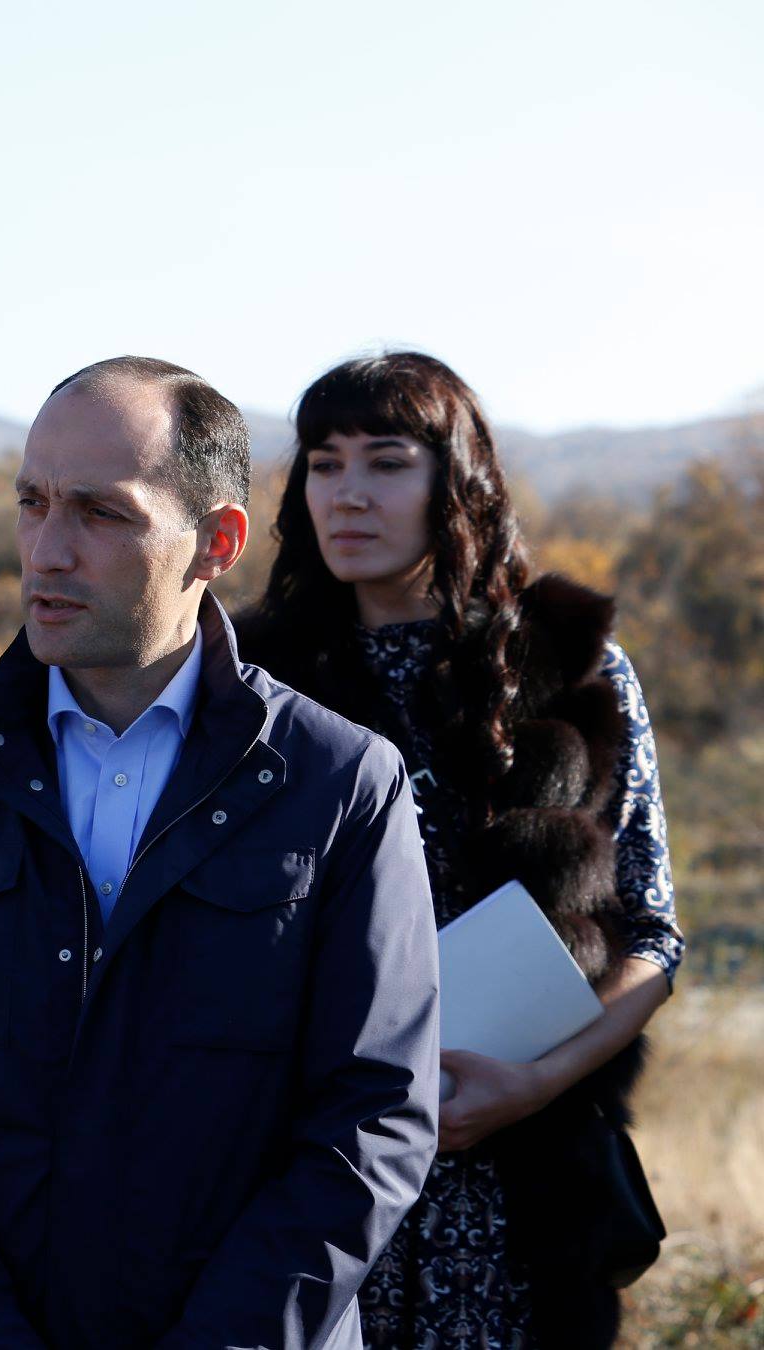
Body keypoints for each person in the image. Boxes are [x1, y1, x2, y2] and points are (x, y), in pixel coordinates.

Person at [0, 356, 442, 1349]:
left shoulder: (339, 784)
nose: (48, 550)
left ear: (216, 542)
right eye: (32, 503)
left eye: (101, 513)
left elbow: (374, 1119)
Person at [237, 351, 686, 1347]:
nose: (347, 494)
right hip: (302, 1180)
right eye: (323, 463)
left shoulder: (572, 670)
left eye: (386, 462)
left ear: (459, 483)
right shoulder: (246, 684)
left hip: (516, 1186)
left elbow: (654, 937)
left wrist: (535, 1085)